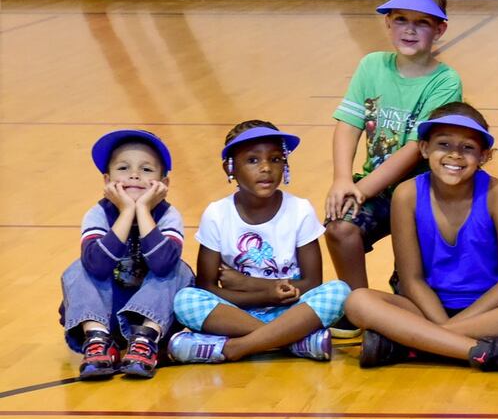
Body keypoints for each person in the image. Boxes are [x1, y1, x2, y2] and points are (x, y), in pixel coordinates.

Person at [345, 105, 498, 374]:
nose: (454, 155)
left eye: (468, 148)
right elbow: (411, 279)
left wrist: (441, 331)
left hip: (488, 311)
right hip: (426, 309)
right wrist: (438, 321)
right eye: (443, 144)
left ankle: (414, 344)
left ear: (484, 156)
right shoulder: (407, 194)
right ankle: (480, 351)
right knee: (357, 301)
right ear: (425, 149)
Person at [323, 0, 463, 313]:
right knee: (340, 225)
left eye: (422, 23)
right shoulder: (371, 65)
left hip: (423, 196)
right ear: (387, 22)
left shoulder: (445, 81)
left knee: (412, 296)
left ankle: (402, 299)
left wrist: (362, 189)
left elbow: (415, 148)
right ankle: (359, 305)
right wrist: (344, 180)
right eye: (401, 19)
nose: (410, 30)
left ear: (440, 29)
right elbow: (349, 124)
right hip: (378, 188)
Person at [170, 123, 350, 363]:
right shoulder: (216, 214)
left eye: (276, 159)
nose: (266, 168)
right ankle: (293, 342)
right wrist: (266, 294)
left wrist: (248, 283)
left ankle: (238, 346)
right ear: (230, 168)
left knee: (339, 291)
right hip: (236, 311)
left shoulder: (299, 210)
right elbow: (207, 288)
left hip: (290, 310)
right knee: (185, 299)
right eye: (253, 161)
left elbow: (312, 282)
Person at [61, 129, 194, 379]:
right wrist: (125, 214)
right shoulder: (98, 214)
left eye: (146, 170)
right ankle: (97, 339)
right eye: (123, 168)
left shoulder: (168, 216)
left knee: (179, 270)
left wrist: (142, 209)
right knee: (78, 268)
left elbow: (163, 265)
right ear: (107, 180)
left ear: (163, 184)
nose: (134, 174)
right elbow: (97, 266)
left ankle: (145, 341)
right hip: (107, 314)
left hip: (154, 318)